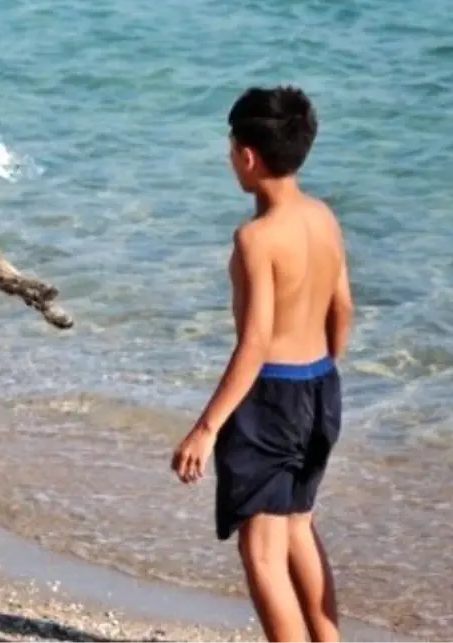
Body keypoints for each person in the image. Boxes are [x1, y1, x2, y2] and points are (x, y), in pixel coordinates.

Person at [171, 85, 354, 643]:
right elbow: (342, 307)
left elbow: (254, 343)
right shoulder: (323, 217)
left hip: (271, 399)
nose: (230, 159)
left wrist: (206, 429)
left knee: (261, 550)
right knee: (298, 525)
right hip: (321, 387)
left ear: (247, 156)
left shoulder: (256, 238)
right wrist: (322, 372)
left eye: (231, 149)